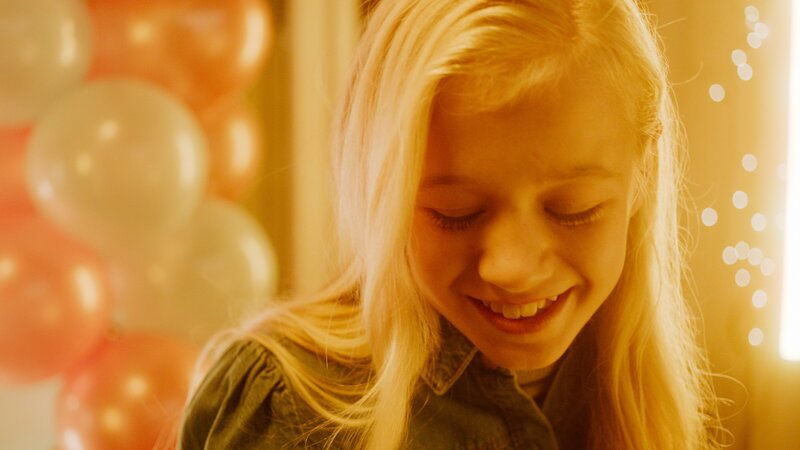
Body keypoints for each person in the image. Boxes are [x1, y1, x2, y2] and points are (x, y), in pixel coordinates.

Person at [178, 0, 725, 448]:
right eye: (456, 213)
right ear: (381, 193)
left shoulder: (636, 401)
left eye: (573, 209)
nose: (512, 268)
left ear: (644, 174)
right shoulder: (290, 412)